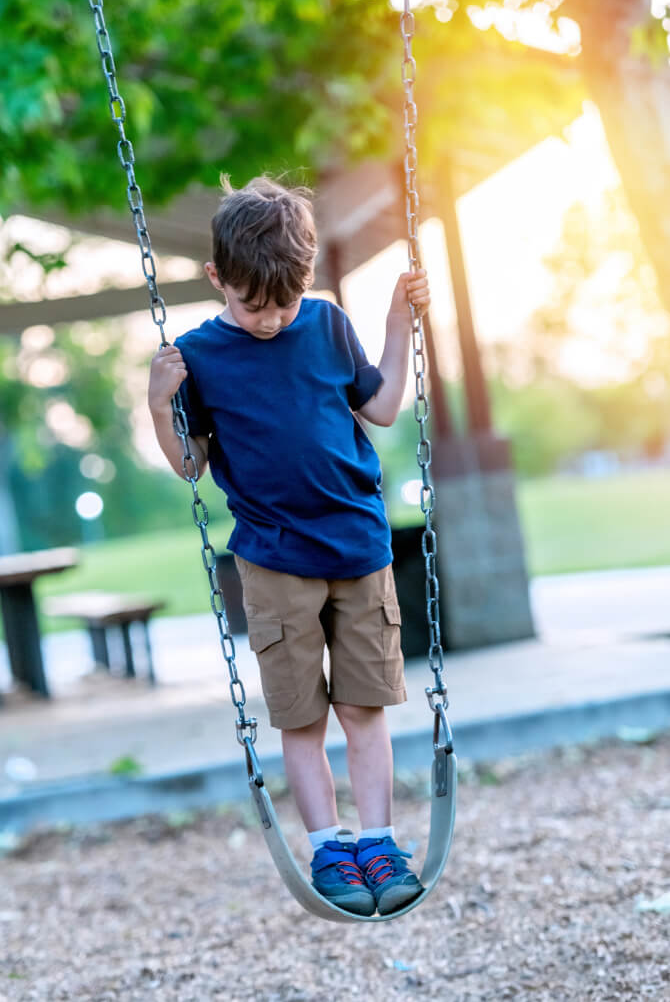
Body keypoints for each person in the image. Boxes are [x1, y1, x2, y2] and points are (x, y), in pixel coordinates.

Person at [148, 176, 431, 916]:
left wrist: (402, 318)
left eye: (285, 302)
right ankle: (330, 848)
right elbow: (189, 464)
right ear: (217, 279)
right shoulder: (199, 355)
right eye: (253, 304)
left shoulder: (329, 324)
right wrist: (158, 400)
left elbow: (382, 404)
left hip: (358, 548)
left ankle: (380, 841)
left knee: (365, 708)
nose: (272, 319)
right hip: (274, 561)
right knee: (302, 717)